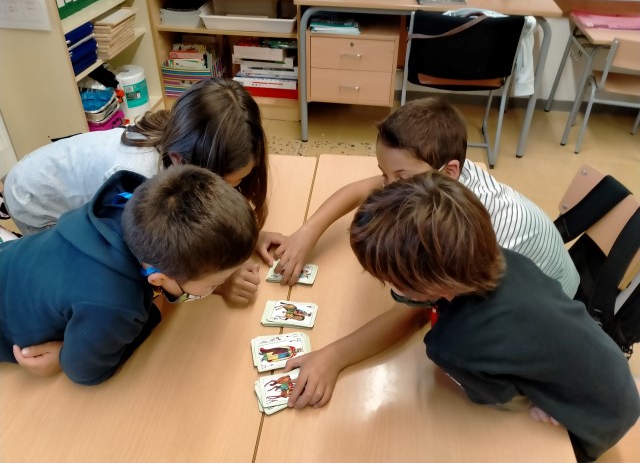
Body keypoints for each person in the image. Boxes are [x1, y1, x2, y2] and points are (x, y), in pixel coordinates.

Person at [284, 171, 639, 463]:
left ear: (434, 285)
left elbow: (494, 394)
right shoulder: (505, 256)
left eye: (390, 279)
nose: (388, 286)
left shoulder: (452, 346)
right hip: (611, 368)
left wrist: (541, 398)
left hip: (593, 420)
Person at [2, 78, 281, 304]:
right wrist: (217, 281)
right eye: (228, 184)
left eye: (239, 182)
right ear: (181, 161)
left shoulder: (186, 143)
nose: (233, 192)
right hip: (34, 199)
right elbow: (136, 266)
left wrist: (241, 238)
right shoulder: (138, 183)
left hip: (56, 174)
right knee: (72, 277)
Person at [271, 97, 579, 298]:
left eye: (400, 177)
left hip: (549, 303)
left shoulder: (469, 226)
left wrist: (335, 357)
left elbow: (420, 307)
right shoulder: (438, 174)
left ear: (450, 171)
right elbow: (360, 189)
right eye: (384, 174)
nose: (388, 187)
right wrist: (307, 232)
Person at [0, 165, 258, 385]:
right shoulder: (117, 304)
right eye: (215, 283)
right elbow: (85, 371)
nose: (220, 284)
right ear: (158, 280)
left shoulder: (132, 201)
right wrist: (60, 358)